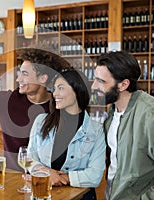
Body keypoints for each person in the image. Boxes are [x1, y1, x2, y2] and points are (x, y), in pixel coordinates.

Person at [91, 51, 154, 200]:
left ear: (123, 84)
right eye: (95, 80)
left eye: (101, 81)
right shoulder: (113, 111)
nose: (93, 86)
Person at [28, 69, 106, 200]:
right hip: (43, 194)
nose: (54, 94)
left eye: (61, 88)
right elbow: (29, 157)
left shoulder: (96, 131)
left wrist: (62, 178)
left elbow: (95, 176)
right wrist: (46, 172)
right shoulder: (41, 121)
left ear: (77, 91)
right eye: (54, 89)